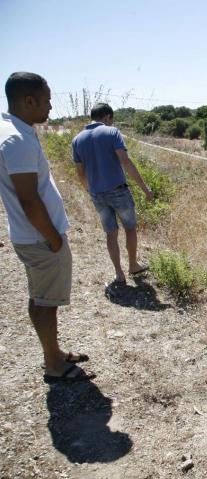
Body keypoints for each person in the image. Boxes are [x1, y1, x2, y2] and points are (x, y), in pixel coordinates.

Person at [0, 72, 94, 382]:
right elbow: (29, 200)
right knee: (46, 303)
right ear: (28, 101)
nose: (51, 107)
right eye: (46, 100)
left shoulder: (15, 131)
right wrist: (53, 238)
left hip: (33, 237)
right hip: (40, 238)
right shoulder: (16, 140)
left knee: (40, 298)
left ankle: (53, 352)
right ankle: (54, 365)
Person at [72, 103, 153, 284]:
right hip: (118, 190)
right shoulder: (112, 132)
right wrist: (145, 188)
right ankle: (133, 265)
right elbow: (125, 162)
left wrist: (89, 190)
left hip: (97, 194)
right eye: (111, 120)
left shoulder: (77, 140)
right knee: (130, 228)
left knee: (110, 233)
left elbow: (80, 173)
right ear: (107, 117)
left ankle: (119, 273)